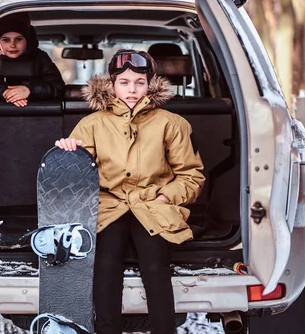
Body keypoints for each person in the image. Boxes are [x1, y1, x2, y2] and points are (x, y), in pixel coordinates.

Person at [55, 49, 205, 334]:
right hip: (109, 208)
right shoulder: (92, 124)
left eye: (139, 82)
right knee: (106, 263)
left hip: (153, 205)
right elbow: (76, 174)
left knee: (155, 264)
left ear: (150, 84)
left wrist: (165, 197)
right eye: (124, 82)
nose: (132, 89)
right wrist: (67, 153)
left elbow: (191, 174)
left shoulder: (170, 123)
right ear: (112, 85)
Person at [0, 12, 65, 106]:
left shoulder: (40, 57)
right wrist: (5, 92)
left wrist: (29, 90)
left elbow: (58, 87)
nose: (12, 45)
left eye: (18, 39)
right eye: (6, 40)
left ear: (27, 40)